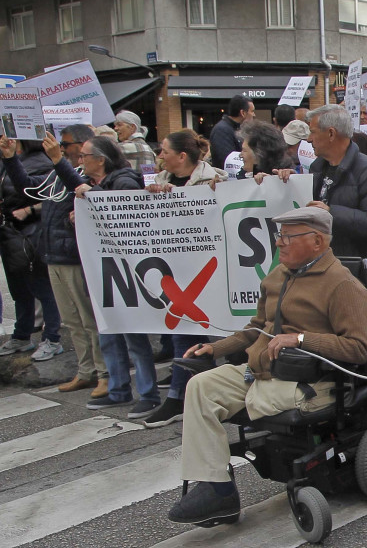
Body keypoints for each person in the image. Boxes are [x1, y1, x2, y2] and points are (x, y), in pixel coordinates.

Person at [167, 207, 367, 525]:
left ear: (317, 241)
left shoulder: (343, 285)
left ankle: (222, 488)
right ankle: (218, 491)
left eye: (288, 236)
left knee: (255, 399)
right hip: (261, 372)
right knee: (201, 387)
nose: (279, 243)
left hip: (310, 382)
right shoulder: (278, 276)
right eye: (280, 236)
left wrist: (300, 339)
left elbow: (358, 349)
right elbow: (256, 328)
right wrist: (214, 348)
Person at [56, 137, 160, 417]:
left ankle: (148, 393)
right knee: (109, 333)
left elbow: (128, 219)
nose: (80, 160)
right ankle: (118, 389)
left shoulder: (124, 182)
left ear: (100, 160)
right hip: (105, 271)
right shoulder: (98, 186)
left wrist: (93, 204)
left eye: (84, 155)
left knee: (134, 337)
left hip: (124, 272)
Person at [0, 127, 108, 394]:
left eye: (65, 143)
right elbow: (30, 191)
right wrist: (11, 158)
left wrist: (58, 161)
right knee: (72, 320)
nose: (60, 146)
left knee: (88, 318)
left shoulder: (84, 175)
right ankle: (86, 371)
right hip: (54, 253)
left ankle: (104, 371)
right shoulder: (57, 173)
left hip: (74, 255)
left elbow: (81, 190)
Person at [141, 130, 230, 428]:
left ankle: (184, 396)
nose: (159, 156)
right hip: (177, 271)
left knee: (199, 332)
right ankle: (189, 395)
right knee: (185, 331)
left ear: (182, 156)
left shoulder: (216, 180)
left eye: (164, 150)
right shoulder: (157, 183)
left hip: (210, 271)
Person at [305, 105, 367, 309]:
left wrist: (331, 213)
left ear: (331, 133)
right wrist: (278, 184)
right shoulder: (317, 169)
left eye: (312, 132)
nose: (309, 140)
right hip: (321, 275)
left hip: (355, 280)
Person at [0, 139, 62, 361]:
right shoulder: (6, 159)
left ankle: (52, 338)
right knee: (19, 290)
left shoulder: (40, 161)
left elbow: (44, 195)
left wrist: (28, 211)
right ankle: (21, 335)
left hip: (32, 234)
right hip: (9, 234)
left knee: (42, 288)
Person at [209, 94, 255, 170]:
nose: (254, 115)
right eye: (252, 111)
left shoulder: (240, 129)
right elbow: (228, 161)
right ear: (242, 113)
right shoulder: (221, 130)